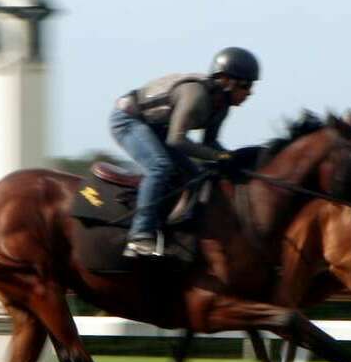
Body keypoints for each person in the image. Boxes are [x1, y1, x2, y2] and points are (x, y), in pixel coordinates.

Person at [110, 47, 259, 257]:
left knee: (196, 175)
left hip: (157, 127)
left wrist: (232, 158)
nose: (250, 92)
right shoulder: (196, 96)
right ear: (226, 81)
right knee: (160, 166)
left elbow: (210, 143)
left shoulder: (222, 108)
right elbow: (176, 140)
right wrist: (218, 156)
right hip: (128, 119)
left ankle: (174, 231)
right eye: (246, 85)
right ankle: (139, 236)